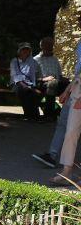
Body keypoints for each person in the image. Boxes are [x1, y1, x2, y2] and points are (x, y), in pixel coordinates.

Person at [34, 26, 81, 168]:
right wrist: (68, 89)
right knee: (65, 123)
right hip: (76, 87)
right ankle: (53, 156)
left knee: (71, 127)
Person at [10, 42, 45, 121]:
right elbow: (16, 77)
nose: (25, 51)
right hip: (18, 84)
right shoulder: (14, 61)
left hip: (31, 84)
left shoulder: (34, 62)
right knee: (25, 91)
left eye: (27, 49)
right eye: (23, 49)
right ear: (19, 51)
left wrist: (32, 85)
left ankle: (34, 116)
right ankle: (30, 115)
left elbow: (38, 76)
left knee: (34, 92)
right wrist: (26, 86)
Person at [34, 36, 67, 115]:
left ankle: (66, 113)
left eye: (51, 45)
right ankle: (49, 114)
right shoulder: (35, 59)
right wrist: (44, 79)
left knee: (70, 86)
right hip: (41, 83)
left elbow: (59, 75)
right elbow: (33, 77)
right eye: (48, 44)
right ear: (42, 46)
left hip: (56, 83)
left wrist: (65, 80)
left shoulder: (55, 59)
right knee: (52, 84)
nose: (50, 47)